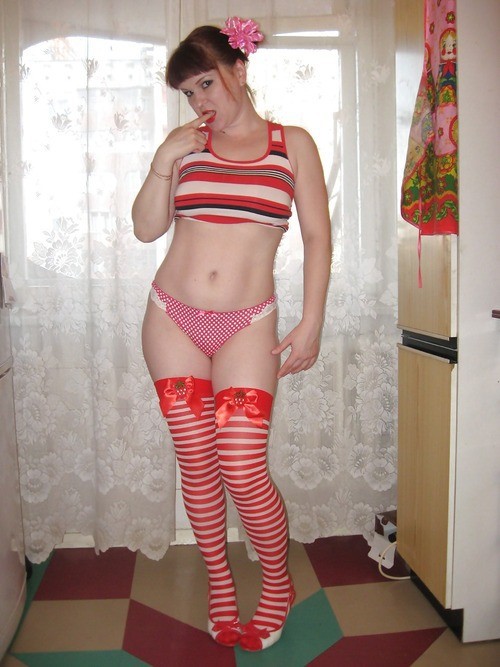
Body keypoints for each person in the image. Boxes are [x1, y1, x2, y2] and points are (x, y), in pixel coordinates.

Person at [132, 16, 331, 652]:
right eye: (188, 92)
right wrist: (163, 160)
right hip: (173, 318)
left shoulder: (291, 144)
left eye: (207, 84)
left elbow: (317, 237)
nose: (199, 102)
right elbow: (145, 229)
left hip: (248, 325)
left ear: (238, 69)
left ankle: (277, 582)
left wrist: (312, 320)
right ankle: (220, 582)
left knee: (242, 466)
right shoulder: (185, 146)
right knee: (197, 462)